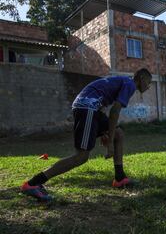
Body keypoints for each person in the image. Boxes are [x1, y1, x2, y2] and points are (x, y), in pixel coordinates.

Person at [21, 68, 152, 202]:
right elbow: (114, 111)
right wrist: (110, 142)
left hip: (91, 108)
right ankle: (33, 183)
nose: (149, 86)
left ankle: (120, 178)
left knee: (119, 133)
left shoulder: (123, 81)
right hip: (87, 108)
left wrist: (104, 132)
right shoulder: (130, 84)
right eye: (149, 82)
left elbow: (101, 98)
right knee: (81, 156)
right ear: (141, 78)